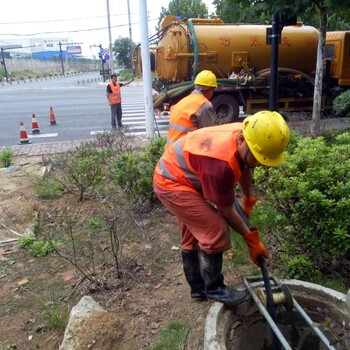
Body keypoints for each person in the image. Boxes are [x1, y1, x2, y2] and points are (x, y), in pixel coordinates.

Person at [153, 111, 290, 306]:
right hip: (171, 182)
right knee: (215, 228)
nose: (259, 163)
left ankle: (197, 289)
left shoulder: (245, 136)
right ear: (242, 140)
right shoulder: (220, 164)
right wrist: (251, 240)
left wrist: (247, 196)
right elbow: (226, 210)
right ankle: (215, 288)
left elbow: (244, 167)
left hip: (185, 175)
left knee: (193, 231)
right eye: (258, 158)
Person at [166, 70, 217, 148]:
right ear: (210, 90)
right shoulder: (205, 105)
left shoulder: (184, 101)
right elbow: (208, 137)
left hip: (170, 153)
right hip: (183, 154)